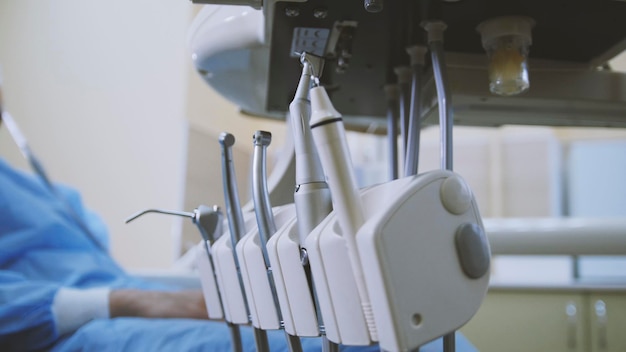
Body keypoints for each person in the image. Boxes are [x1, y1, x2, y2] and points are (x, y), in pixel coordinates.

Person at [0, 104, 475, 352]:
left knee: (424, 334)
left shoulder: (24, 185)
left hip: (120, 306)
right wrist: (132, 299)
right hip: (78, 332)